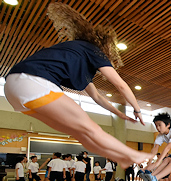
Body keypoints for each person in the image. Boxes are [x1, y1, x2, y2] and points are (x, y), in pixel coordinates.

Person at [3, 2, 152, 169]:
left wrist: (119, 113)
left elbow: (97, 97)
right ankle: (137, 155)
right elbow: (121, 85)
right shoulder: (94, 50)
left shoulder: (78, 56)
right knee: (90, 127)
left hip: (13, 89)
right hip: (33, 81)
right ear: (104, 46)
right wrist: (137, 109)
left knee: (80, 133)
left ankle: (122, 158)